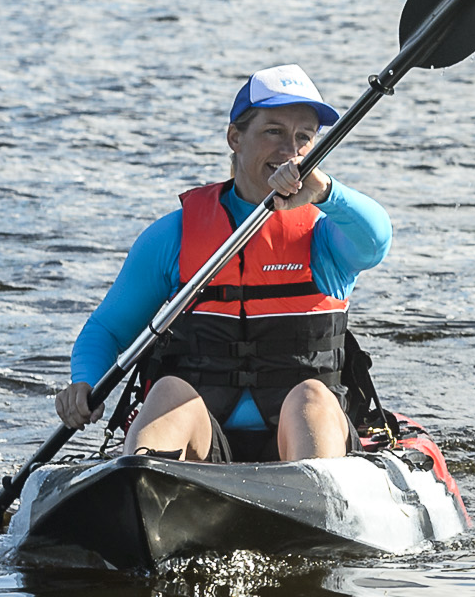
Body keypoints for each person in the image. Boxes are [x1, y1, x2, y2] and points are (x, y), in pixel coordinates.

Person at [55, 67, 393, 463]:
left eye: (304, 137)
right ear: (235, 137)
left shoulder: (325, 234)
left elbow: (376, 241)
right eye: (273, 132)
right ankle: (147, 482)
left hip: (302, 445)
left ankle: (314, 492)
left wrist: (327, 192)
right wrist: (85, 382)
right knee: (167, 391)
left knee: (312, 396)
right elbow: (109, 329)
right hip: (204, 443)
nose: (290, 150)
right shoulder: (174, 236)